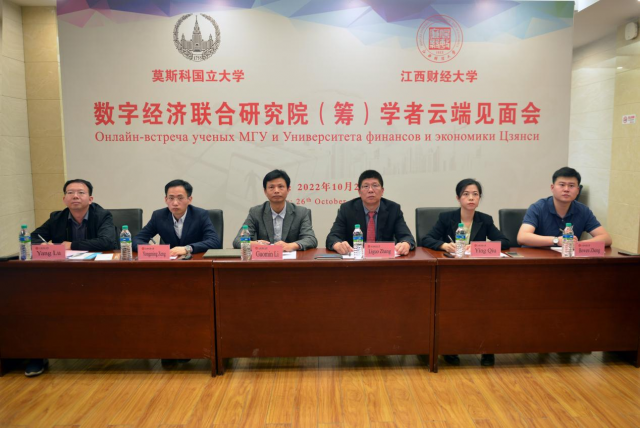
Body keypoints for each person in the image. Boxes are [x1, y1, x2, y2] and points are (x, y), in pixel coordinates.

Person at [27, 178, 118, 377]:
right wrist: (43, 245)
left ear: (90, 198)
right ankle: (37, 353)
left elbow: (107, 241)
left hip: (100, 275)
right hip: (64, 276)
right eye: (70, 193)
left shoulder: (102, 215)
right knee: (37, 302)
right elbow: (33, 237)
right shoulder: (57, 217)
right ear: (64, 198)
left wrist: (71, 245)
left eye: (80, 192)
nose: (75, 196)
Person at [421, 178, 510, 367]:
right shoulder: (446, 218)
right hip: (451, 274)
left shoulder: (485, 219)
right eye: (466, 194)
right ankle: (450, 348)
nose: (471, 198)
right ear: (458, 198)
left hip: (479, 274)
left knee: (486, 306)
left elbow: (505, 242)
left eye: (475, 194)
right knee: (451, 307)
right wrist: (444, 245)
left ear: (479, 198)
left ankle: (486, 349)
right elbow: (426, 238)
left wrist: (477, 247)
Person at [517, 167, 612, 247]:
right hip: (538, 259)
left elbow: (606, 238)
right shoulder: (538, 208)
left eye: (571, 186)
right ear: (552, 188)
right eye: (562, 185)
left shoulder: (583, 210)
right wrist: (556, 240)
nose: (566, 189)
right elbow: (522, 237)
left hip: (568, 260)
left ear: (578, 190)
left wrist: (578, 245)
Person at [326, 170, 415, 255]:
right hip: (356, 261)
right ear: (359, 192)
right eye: (366, 186)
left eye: (375, 185)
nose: (370, 190)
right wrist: (337, 245)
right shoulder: (347, 209)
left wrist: (405, 244)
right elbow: (332, 237)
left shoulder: (393, 209)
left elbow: (407, 237)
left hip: (384, 260)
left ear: (382, 191)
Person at [232, 169, 317, 250]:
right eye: (271, 187)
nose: (276, 191)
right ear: (265, 191)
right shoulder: (256, 212)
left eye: (280, 186)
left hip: (291, 259)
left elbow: (311, 239)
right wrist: (255, 244)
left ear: (288, 189)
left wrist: (291, 246)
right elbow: (238, 240)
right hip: (265, 258)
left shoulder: (301, 212)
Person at [133, 179, 221, 257]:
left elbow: (214, 242)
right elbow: (137, 240)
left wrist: (188, 248)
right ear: (166, 199)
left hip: (195, 261)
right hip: (170, 263)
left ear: (189, 199)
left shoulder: (200, 215)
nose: (175, 203)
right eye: (171, 198)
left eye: (180, 198)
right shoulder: (158, 216)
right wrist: (150, 249)